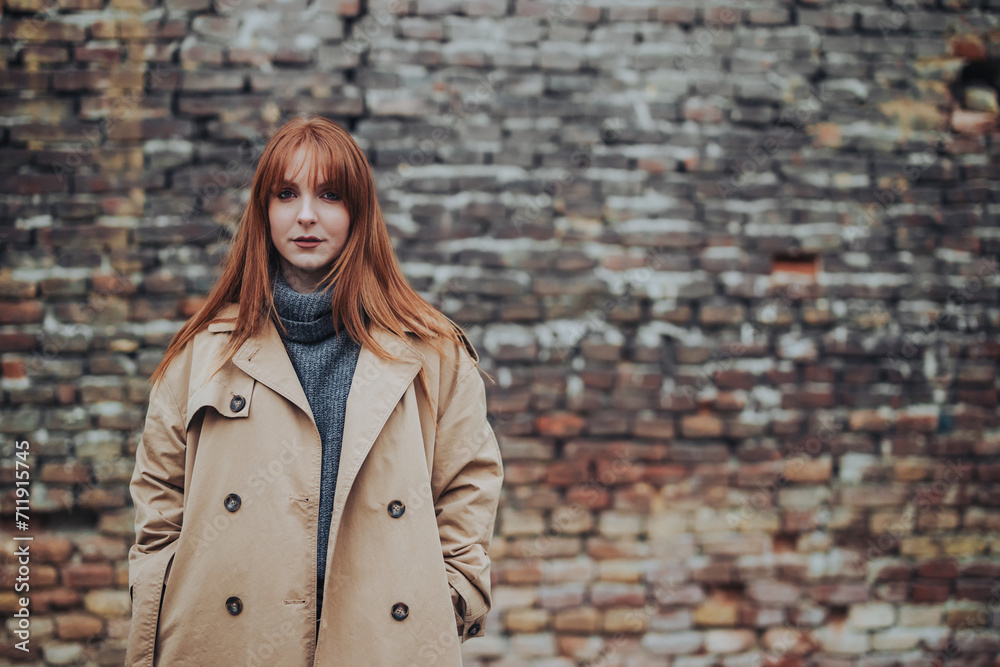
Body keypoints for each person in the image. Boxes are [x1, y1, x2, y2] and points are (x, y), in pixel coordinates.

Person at [125, 114, 504, 666]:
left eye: (329, 195)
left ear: (358, 212)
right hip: (225, 642)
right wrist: (156, 595)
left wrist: (447, 598)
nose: (306, 215)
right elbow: (158, 501)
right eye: (286, 194)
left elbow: (468, 486)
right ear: (264, 211)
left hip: (383, 643)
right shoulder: (202, 355)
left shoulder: (433, 354)